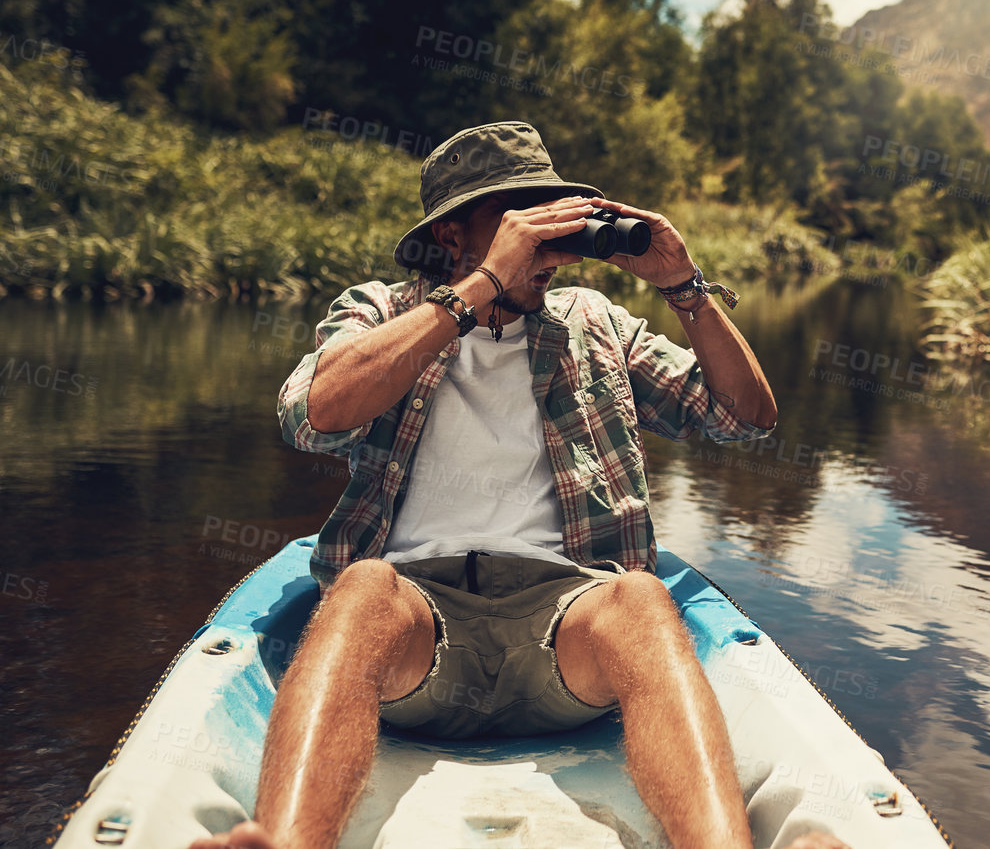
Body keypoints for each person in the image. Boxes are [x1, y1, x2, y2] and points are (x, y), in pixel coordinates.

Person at [192, 122, 845, 849]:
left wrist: (682, 287)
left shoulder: (592, 321)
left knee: (640, 597)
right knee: (362, 588)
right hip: (412, 629)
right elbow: (311, 413)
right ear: (450, 234)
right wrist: (478, 289)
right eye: (520, 223)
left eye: (554, 222)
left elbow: (742, 415)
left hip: (568, 632)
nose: (547, 247)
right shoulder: (384, 310)